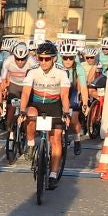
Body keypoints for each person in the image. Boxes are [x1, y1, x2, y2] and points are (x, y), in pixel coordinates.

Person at [22, 42, 71, 190]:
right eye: (40, 58)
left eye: (47, 59)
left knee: (55, 139)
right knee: (30, 115)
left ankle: (53, 174)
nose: (43, 62)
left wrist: (66, 113)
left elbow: (64, 95)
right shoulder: (32, 72)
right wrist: (22, 111)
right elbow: (25, 92)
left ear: (54, 59)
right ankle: (31, 143)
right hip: (37, 104)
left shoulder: (62, 73)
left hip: (54, 106)